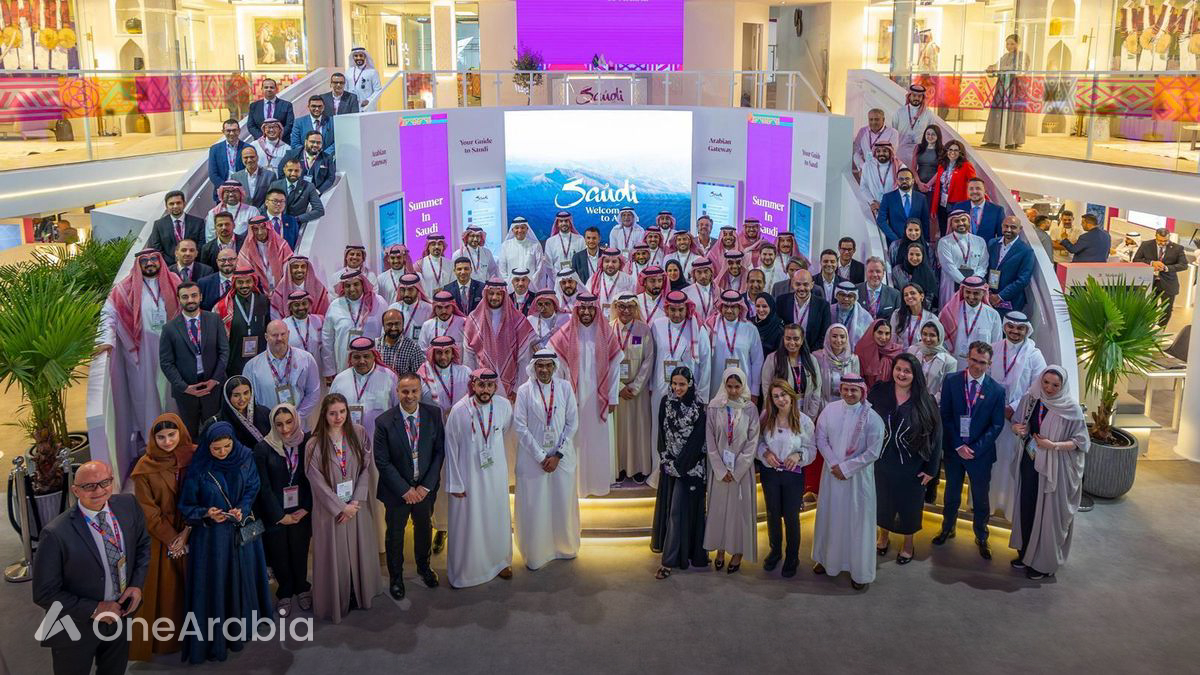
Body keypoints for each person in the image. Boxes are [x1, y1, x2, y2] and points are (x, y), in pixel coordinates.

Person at [32, 461, 150, 675]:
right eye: (89, 486)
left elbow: (143, 545)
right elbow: (44, 593)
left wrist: (136, 585)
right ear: (75, 490)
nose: (99, 490)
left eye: (105, 482)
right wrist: (95, 609)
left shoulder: (129, 505)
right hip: (75, 626)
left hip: (121, 615)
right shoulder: (55, 534)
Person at [178, 423, 273, 663]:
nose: (222, 452)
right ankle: (221, 638)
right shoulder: (199, 467)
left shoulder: (245, 457)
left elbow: (253, 486)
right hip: (213, 540)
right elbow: (186, 506)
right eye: (216, 448)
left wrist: (242, 508)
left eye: (227, 447)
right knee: (218, 582)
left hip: (243, 532)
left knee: (246, 577)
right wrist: (206, 513)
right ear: (207, 446)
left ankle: (246, 625)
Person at [1008, 366, 1090, 580]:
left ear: (1063, 386)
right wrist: (1017, 429)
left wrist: (1053, 445)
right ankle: (1025, 554)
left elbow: (1081, 442)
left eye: (1055, 385)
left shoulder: (1071, 409)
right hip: (1030, 461)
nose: (1049, 388)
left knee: (1048, 515)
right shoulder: (1032, 398)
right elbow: (1017, 422)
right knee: (1027, 507)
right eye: (1046, 382)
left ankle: (1042, 564)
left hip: (1056, 469)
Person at [305, 393, 381, 622]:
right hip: (330, 511)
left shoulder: (359, 433)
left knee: (359, 550)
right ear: (324, 415)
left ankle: (360, 593)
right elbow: (316, 482)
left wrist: (355, 501)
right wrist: (341, 508)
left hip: (356, 507)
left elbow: (366, 468)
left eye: (342, 412)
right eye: (332, 413)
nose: (338, 417)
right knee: (334, 555)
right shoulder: (314, 444)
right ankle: (337, 600)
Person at [129, 415, 194, 660]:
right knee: (168, 590)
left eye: (172, 435)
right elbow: (148, 512)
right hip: (163, 536)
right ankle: (170, 641)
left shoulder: (195, 455)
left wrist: (188, 530)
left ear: (181, 433)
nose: (167, 441)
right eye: (161, 437)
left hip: (195, 528)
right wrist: (174, 539)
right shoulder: (144, 469)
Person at [375, 372, 445, 598]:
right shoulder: (384, 422)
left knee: (424, 529)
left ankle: (424, 568)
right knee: (395, 536)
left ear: (420, 391)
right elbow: (382, 461)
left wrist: (425, 487)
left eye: (414, 391)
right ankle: (396, 578)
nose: (410, 396)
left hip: (425, 489)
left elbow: (439, 452)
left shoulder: (433, 414)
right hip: (397, 492)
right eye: (405, 391)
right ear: (397, 392)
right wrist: (405, 490)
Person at [98, 249, 180, 442]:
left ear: (160, 261)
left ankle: (176, 434)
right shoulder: (124, 288)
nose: (150, 263)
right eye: (145, 261)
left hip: (172, 348)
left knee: (172, 392)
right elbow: (108, 314)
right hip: (142, 350)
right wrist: (105, 340)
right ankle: (152, 438)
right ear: (138, 264)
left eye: (153, 259)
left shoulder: (175, 281)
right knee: (146, 392)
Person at [812, 374, 885, 590]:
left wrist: (846, 468)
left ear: (862, 391)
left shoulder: (872, 418)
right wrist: (835, 464)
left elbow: (873, 451)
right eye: (845, 389)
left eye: (854, 390)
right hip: (832, 476)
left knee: (857, 523)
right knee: (830, 517)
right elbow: (820, 438)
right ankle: (827, 560)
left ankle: (858, 570)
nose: (849, 394)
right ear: (840, 389)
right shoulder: (830, 410)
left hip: (858, 481)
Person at [934, 341, 1006, 559]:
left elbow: (997, 425)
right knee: (951, 494)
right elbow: (945, 415)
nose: (977, 366)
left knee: (981, 498)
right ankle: (948, 528)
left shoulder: (997, 390)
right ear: (967, 358)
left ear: (989, 364)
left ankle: (981, 536)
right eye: (973, 360)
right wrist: (958, 445)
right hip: (954, 450)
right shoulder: (951, 381)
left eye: (982, 362)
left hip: (980, 455)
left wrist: (974, 449)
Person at [443, 369, 515, 587]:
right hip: (469, 477)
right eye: (481, 385)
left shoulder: (504, 406)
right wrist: (455, 483)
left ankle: (499, 562)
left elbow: (505, 431)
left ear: (495, 387)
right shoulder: (459, 410)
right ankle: (468, 571)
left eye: (490, 386)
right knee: (470, 521)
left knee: (496, 517)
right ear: (473, 385)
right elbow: (451, 448)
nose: (485, 390)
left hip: (495, 476)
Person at [549, 294, 624, 496]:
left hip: (600, 398)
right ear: (576, 310)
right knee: (575, 438)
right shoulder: (565, 334)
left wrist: (612, 398)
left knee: (598, 440)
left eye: (591, 308)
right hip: (573, 398)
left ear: (596, 310)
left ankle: (598, 484)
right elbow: (555, 368)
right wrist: (561, 399)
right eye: (582, 308)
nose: (586, 312)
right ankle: (576, 484)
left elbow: (615, 368)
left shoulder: (606, 333)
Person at [513, 350, 582, 570]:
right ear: (534, 367)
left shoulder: (564, 387)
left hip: (562, 457)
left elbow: (572, 423)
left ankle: (564, 546)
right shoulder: (524, 391)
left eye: (548, 365)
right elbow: (520, 427)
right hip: (532, 459)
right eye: (539, 365)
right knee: (536, 504)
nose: (544, 370)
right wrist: (542, 456)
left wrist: (557, 455)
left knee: (562, 502)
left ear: (554, 367)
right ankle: (537, 552)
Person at [869, 354, 940, 564]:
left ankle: (908, 544)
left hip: (912, 466)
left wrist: (931, 469)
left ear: (915, 374)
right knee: (882, 502)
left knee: (909, 507)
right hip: (881, 462)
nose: (901, 374)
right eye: (898, 369)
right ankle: (883, 536)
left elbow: (937, 436)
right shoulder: (879, 392)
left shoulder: (926, 400)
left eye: (907, 371)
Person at [253, 404, 313, 616]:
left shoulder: (306, 443)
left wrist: (306, 508)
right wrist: (279, 516)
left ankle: (302, 586)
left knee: (300, 550)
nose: (285, 429)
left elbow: (312, 478)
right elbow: (263, 486)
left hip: (301, 510)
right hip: (275, 513)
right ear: (272, 425)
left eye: (289, 422)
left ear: (296, 420)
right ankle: (285, 591)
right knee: (279, 553)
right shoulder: (263, 448)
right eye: (279, 424)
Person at [650, 367, 709, 578]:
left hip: (690, 470)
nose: (677, 388)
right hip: (670, 466)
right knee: (671, 511)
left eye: (682, 384)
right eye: (674, 383)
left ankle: (668, 562)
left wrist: (679, 467)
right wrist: (665, 459)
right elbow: (661, 432)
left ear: (690, 384)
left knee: (677, 512)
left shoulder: (699, 408)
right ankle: (674, 554)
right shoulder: (665, 402)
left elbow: (697, 443)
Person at [988, 311, 1046, 518]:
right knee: (992, 463)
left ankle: (1009, 508)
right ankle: (987, 505)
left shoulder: (1034, 354)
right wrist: (997, 406)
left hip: (1018, 419)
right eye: (1011, 327)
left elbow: (1037, 387)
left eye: (1020, 328)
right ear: (1004, 327)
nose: (1015, 331)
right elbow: (985, 380)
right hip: (992, 415)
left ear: (1027, 330)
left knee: (1011, 463)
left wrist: (1013, 407)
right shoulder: (993, 348)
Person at [703, 367, 760, 573]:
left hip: (741, 472)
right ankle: (719, 549)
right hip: (719, 470)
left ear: (743, 386)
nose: (734, 391)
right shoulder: (714, 407)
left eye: (737, 386)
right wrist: (720, 469)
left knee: (739, 513)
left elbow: (753, 442)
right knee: (718, 511)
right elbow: (710, 441)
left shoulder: (750, 409)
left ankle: (737, 552)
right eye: (729, 386)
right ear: (724, 385)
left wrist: (737, 471)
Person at [758, 379, 816, 577]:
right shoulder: (766, 416)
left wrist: (798, 455)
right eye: (775, 396)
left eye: (783, 395)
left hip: (793, 475)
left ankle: (792, 556)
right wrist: (765, 453)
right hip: (770, 473)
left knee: (791, 517)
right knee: (773, 514)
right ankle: (775, 551)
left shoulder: (804, 420)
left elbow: (811, 449)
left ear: (791, 395)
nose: (780, 400)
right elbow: (758, 442)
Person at [159, 282, 228, 436]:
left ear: (200, 297)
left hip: (212, 386)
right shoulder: (169, 328)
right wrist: (184, 387)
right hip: (186, 390)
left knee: (215, 431)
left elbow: (224, 351)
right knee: (189, 433)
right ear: (179, 299)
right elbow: (166, 362)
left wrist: (215, 380)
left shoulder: (214, 319)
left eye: (194, 295)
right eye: (185, 297)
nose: (190, 300)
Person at [463, 278, 537, 400]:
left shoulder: (517, 319)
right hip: (482, 383)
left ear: (504, 295)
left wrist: (518, 388)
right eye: (491, 293)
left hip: (511, 384)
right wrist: (473, 384)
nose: (494, 297)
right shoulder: (474, 318)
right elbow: (468, 355)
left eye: (499, 294)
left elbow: (524, 357)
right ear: (486, 294)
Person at [610, 294, 656, 482]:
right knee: (618, 432)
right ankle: (619, 467)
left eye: (630, 306)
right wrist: (619, 387)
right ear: (616, 307)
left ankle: (638, 467)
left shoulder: (644, 330)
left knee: (639, 429)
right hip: (615, 391)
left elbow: (648, 360)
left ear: (636, 308)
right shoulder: (608, 329)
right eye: (621, 306)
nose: (626, 311)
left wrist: (635, 387)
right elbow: (604, 361)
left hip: (638, 392)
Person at [242, 320, 322, 423]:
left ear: (288, 334)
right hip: (268, 426)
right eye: (275, 335)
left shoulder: (306, 359)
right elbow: (249, 402)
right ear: (266, 337)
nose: (279, 338)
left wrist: (297, 418)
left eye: (283, 334)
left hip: (299, 425)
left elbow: (313, 392)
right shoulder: (252, 367)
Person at [330, 336, 398, 446]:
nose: (362, 361)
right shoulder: (340, 379)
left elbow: (398, 410)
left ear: (374, 356)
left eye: (366, 356)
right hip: (347, 440)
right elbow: (330, 410)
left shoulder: (389, 377)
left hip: (380, 440)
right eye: (357, 357)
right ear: (351, 358)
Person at [322, 270, 387, 381]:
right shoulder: (335, 306)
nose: (352, 289)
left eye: (356, 284)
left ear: (363, 284)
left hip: (373, 361)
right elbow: (327, 339)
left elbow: (385, 332)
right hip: (343, 361)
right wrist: (329, 369)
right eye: (347, 286)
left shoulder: (378, 302)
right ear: (343, 287)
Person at [707, 290, 764, 400]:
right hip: (717, 384)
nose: (729, 310)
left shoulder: (750, 329)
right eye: (726, 306)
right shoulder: (711, 326)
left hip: (743, 385)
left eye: (733, 307)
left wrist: (755, 391)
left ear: (740, 308)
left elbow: (757, 361)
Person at [939, 276, 1004, 368]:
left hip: (980, 367)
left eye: (976, 293)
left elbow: (996, 345)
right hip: (955, 364)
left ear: (983, 293)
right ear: (962, 291)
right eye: (968, 292)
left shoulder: (993, 315)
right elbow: (941, 340)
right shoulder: (950, 312)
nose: (971, 297)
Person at [761, 322, 822, 419]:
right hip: (779, 412)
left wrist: (811, 416)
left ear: (802, 340)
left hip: (807, 411)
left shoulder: (811, 360)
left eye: (796, 339)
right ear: (783, 339)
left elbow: (817, 388)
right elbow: (766, 389)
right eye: (788, 338)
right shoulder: (773, 359)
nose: (792, 343)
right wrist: (777, 413)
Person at [215, 267, 270, 376]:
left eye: (248, 281)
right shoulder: (224, 306)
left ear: (254, 282)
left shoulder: (263, 301)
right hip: (235, 360)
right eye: (240, 282)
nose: (244, 286)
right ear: (234, 283)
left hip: (260, 358)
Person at [982, 33, 1030, 149]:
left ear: (1018, 44)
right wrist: (991, 68)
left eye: (1012, 44)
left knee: (1013, 114)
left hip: (1015, 89)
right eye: (1007, 44)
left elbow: (1019, 69)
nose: (1009, 46)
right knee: (998, 112)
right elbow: (997, 66)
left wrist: (998, 68)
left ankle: (1012, 140)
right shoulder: (1005, 56)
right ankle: (994, 139)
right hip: (1002, 88)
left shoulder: (1023, 55)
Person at [1133, 227, 1189, 325]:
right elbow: (1136, 260)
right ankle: (1148, 329)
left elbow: (1184, 265)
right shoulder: (1146, 245)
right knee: (1149, 308)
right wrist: (1152, 263)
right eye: (1160, 240)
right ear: (1155, 236)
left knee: (1166, 310)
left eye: (1165, 241)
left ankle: (1160, 330)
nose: (1162, 243)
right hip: (1149, 282)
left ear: (1169, 237)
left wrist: (1166, 268)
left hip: (1168, 284)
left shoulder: (1178, 248)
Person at [937, 209, 989, 304]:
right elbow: (949, 267)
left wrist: (974, 281)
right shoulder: (944, 242)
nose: (961, 223)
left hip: (975, 288)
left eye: (963, 220)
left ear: (968, 222)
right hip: (951, 285)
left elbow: (983, 265)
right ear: (951, 224)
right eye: (956, 221)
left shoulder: (980, 241)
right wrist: (967, 283)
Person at [987, 216, 1035, 315]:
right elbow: (986, 267)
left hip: (1010, 301)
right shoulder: (992, 243)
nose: (1008, 230)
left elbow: (1023, 280)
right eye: (1006, 226)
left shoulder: (1026, 251)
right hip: (989, 297)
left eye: (1013, 227)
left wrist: (1000, 296)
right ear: (1002, 227)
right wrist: (988, 292)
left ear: (1020, 229)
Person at [775, 269, 831, 353]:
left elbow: (824, 334)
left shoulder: (823, 305)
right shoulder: (781, 301)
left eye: (805, 284)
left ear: (812, 285)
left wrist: (809, 353)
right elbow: (778, 330)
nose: (801, 288)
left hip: (812, 353)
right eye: (798, 284)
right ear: (792, 284)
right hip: (786, 352)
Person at [928, 140, 975, 239]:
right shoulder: (942, 165)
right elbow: (938, 187)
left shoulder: (966, 166)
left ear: (960, 152)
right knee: (943, 229)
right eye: (950, 149)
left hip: (957, 204)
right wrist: (934, 207)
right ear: (946, 151)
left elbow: (974, 183)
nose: (952, 152)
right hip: (942, 203)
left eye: (956, 150)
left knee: (955, 231)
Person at [147, 191, 205, 265]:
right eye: (171, 204)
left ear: (184, 204)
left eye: (178, 203)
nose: (175, 206)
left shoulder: (198, 223)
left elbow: (201, 246)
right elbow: (156, 248)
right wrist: (174, 263)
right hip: (168, 267)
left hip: (193, 264)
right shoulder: (159, 225)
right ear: (166, 206)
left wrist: (188, 259)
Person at [238, 215, 293, 293]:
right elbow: (244, 274)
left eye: (263, 228)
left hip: (282, 290)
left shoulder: (282, 246)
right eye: (256, 229)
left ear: (268, 228)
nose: (260, 232)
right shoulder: (247, 249)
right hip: (258, 292)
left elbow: (289, 270)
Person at [877, 168, 930, 243]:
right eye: (901, 179)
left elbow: (925, 222)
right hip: (895, 242)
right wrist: (895, 239)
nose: (904, 181)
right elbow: (881, 220)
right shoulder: (888, 198)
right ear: (897, 181)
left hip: (916, 242)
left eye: (907, 179)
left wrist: (926, 241)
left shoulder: (921, 198)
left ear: (913, 181)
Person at [908, 320, 957, 402]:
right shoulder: (913, 351)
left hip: (932, 404)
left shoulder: (949, 362)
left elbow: (946, 390)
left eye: (932, 335)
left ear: (939, 337)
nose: (927, 339)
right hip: (910, 401)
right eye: (924, 334)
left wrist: (928, 402)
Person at [891, 84, 937, 168]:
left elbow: (932, 133)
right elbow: (894, 132)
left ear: (923, 98)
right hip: (901, 154)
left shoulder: (928, 114)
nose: (916, 98)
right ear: (909, 96)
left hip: (920, 154)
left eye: (919, 96)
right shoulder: (899, 112)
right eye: (914, 95)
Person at [270, 157, 326, 227]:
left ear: (301, 171)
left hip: (296, 226)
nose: (293, 173)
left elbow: (319, 210)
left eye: (296, 171)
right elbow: (266, 206)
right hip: (275, 225)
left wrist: (296, 219)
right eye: (290, 170)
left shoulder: (309, 187)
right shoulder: (275, 185)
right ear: (284, 170)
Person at [270, 255, 330, 319]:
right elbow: (276, 317)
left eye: (303, 267)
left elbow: (324, 313)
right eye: (295, 267)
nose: (299, 270)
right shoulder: (280, 289)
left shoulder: (318, 288)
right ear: (290, 269)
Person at [207, 119, 250, 201]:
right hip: (222, 193)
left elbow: (250, 171)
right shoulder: (215, 149)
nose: (231, 133)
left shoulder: (248, 148)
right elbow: (213, 174)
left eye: (234, 130)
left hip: (242, 192)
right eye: (228, 131)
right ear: (223, 131)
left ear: (239, 131)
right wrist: (226, 188)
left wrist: (239, 188)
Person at [851, 107, 900, 178]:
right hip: (866, 170)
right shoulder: (862, 131)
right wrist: (863, 167)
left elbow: (891, 153)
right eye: (871, 119)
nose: (873, 122)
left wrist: (876, 169)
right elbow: (856, 152)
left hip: (884, 171)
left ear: (883, 120)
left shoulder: (893, 132)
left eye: (877, 119)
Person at [951, 178, 1004, 242]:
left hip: (985, 247)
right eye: (971, 189)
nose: (974, 191)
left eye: (978, 188)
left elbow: (1001, 237)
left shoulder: (997, 211)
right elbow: (952, 230)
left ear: (985, 191)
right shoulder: (959, 207)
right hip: (961, 246)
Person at [283, 130, 336, 194]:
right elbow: (281, 171)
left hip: (315, 193)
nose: (315, 145)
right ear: (306, 142)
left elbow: (330, 178)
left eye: (318, 142)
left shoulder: (327, 158)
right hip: (293, 192)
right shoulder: (292, 154)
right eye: (312, 142)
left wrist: (318, 191)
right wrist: (289, 187)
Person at [891, 240, 939, 311]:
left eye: (918, 255)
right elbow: (895, 291)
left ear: (923, 256)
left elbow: (930, 295)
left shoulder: (928, 272)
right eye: (911, 254)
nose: (914, 258)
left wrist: (918, 310)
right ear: (907, 255)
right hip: (902, 309)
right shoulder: (898, 270)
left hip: (922, 310)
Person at [855, 318, 901, 388]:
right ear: (872, 332)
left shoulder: (896, 351)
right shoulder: (862, 350)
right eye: (880, 332)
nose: (883, 337)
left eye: (887, 333)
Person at [497, 216, 546, 283]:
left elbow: (540, 268)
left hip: (531, 285)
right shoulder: (505, 246)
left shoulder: (535, 246)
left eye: (522, 228)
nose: (520, 231)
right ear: (512, 230)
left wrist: (530, 283)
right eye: (517, 228)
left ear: (527, 229)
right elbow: (502, 269)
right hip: (510, 285)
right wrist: (510, 284)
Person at [891, 282, 939, 349]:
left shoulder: (931, 318)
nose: (909, 296)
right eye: (906, 295)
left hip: (922, 354)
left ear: (922, 296)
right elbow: (892, 339)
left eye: (912, 293)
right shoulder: (897, 314)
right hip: (900, 354)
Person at [379, 308, 426, 375]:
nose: (393, 328)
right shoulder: (375, 346)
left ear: (403, 325)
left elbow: (419, 376)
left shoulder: (413, 348)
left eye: (397, 324)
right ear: (383, 326)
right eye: (389, 324)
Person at [385, 271, 432, 338]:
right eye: (403, 290)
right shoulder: (393, 308)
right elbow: (385, 334)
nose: (406, 294)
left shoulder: (428, 309)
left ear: (418, 290)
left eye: (410, 290)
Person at [861, 141, 903, 211]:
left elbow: (904, 187)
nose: (881, 154)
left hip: (893, 206)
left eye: (885, 151)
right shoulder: (868, 166)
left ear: (890, 152)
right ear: (875, 152)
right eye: (878, 151)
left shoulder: (899, 165)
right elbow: (863, 187)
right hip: (875, 207)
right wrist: (872, 201)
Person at [831, 281, 873, 347]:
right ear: (836, 295)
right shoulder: (829, 311)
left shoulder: (865, 317)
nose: (846, 299)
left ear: (855, 298)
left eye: (850, 296)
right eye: (842, 295)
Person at [912, 125, 944, 199]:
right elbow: (913, 168)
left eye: (933, 134)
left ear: (938, 136)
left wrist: (928, 185)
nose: (930, 136)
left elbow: (941, 170)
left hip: (933, 186)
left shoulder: (942, 149)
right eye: (928, 134)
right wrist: (919, 183)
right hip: (918, 184)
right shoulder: (918, 147)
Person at [751, 293, 785, 357]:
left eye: (764, 306)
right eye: (758, 306)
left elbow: (780, 354)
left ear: (771, 307)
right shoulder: (750, 323)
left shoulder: (778, 327)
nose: (761, 310)